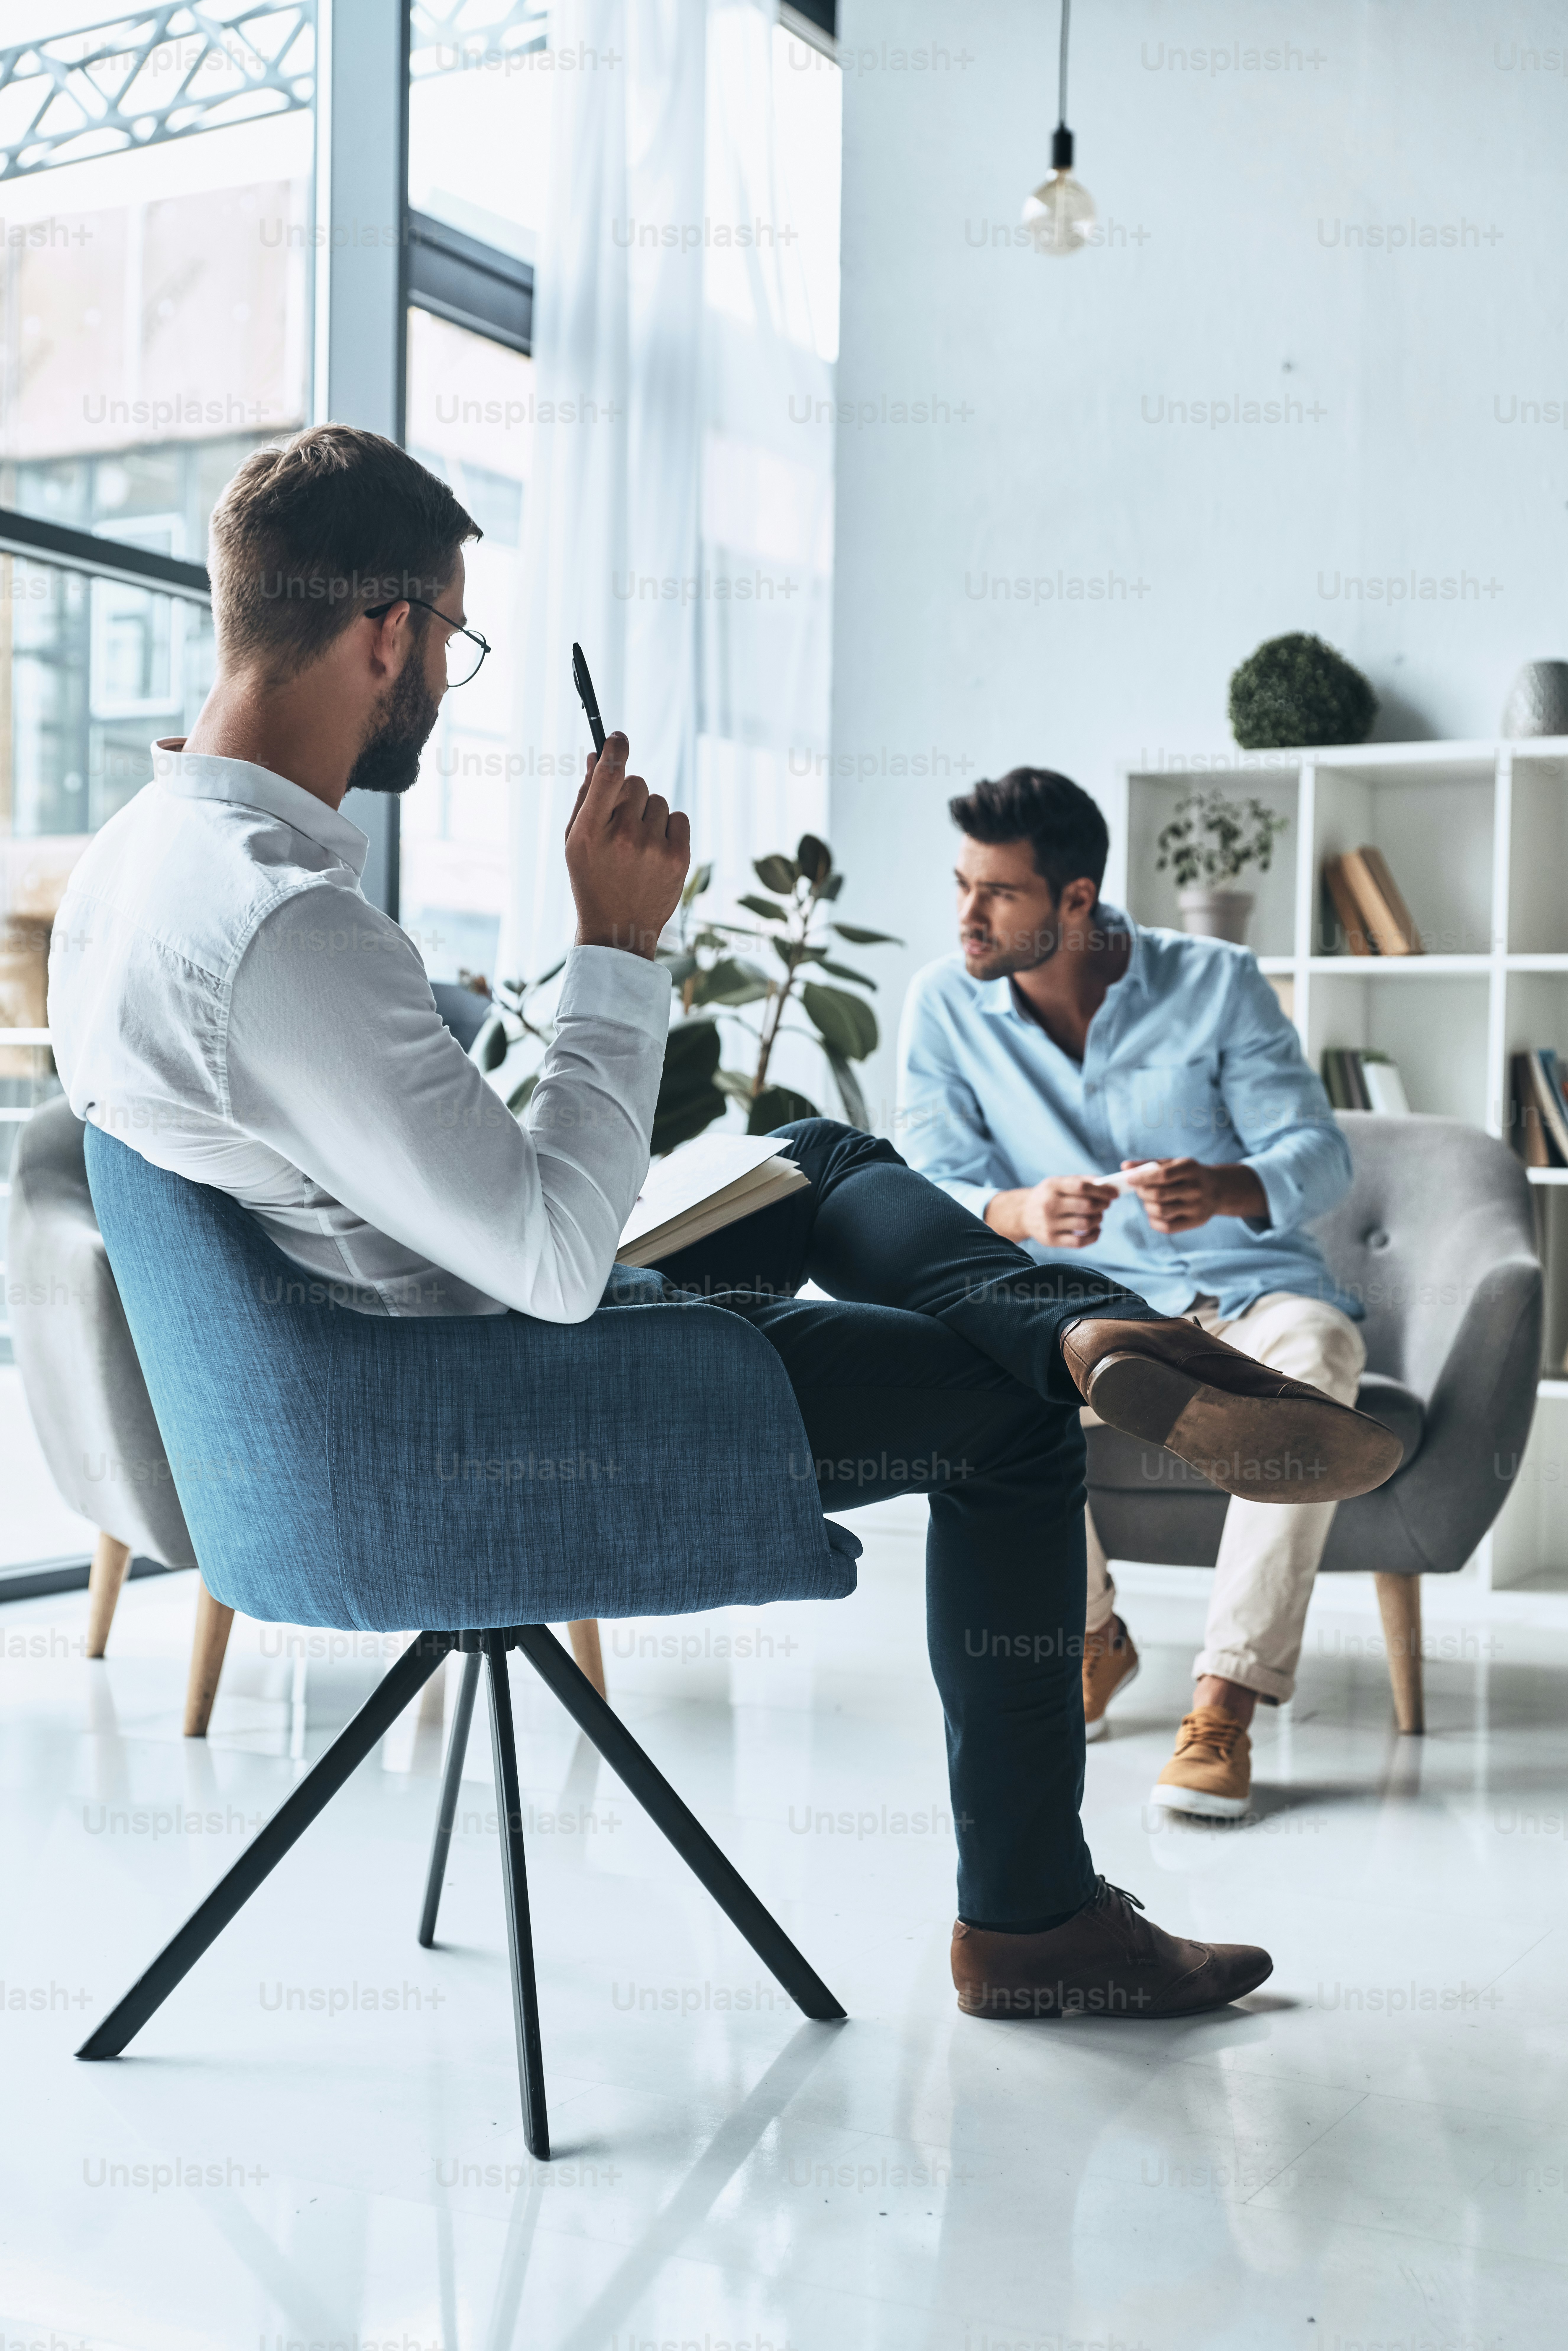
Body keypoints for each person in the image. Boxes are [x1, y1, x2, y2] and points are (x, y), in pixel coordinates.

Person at [49, 428, 1393, 2020]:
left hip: (390, 1362)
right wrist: (617, 950)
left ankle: (1079, 1319)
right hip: (475, 1411)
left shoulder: (136, 867)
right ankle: (1031, 1916)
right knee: (1015, 1427)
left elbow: (445, 1201)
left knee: (809, 1149)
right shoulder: (288, 923)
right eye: (457, 642)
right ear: (389, 630)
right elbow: (549, 1265)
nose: (446, 683)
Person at [898, 767, 1376, 1820]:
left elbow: (1321, 1157)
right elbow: (924, 1183)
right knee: (971, 1369)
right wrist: (1019, 1213)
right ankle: (1091, 1639)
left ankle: (1224, 1707)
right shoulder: (943, 1002)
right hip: (1073, 1310)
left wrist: (1228, 1187)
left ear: (1076, 901)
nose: (969, 917)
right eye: (963, 885)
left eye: (999, 894)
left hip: (1243, 1294)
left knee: (1321, 1353)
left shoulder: (1217, 981)